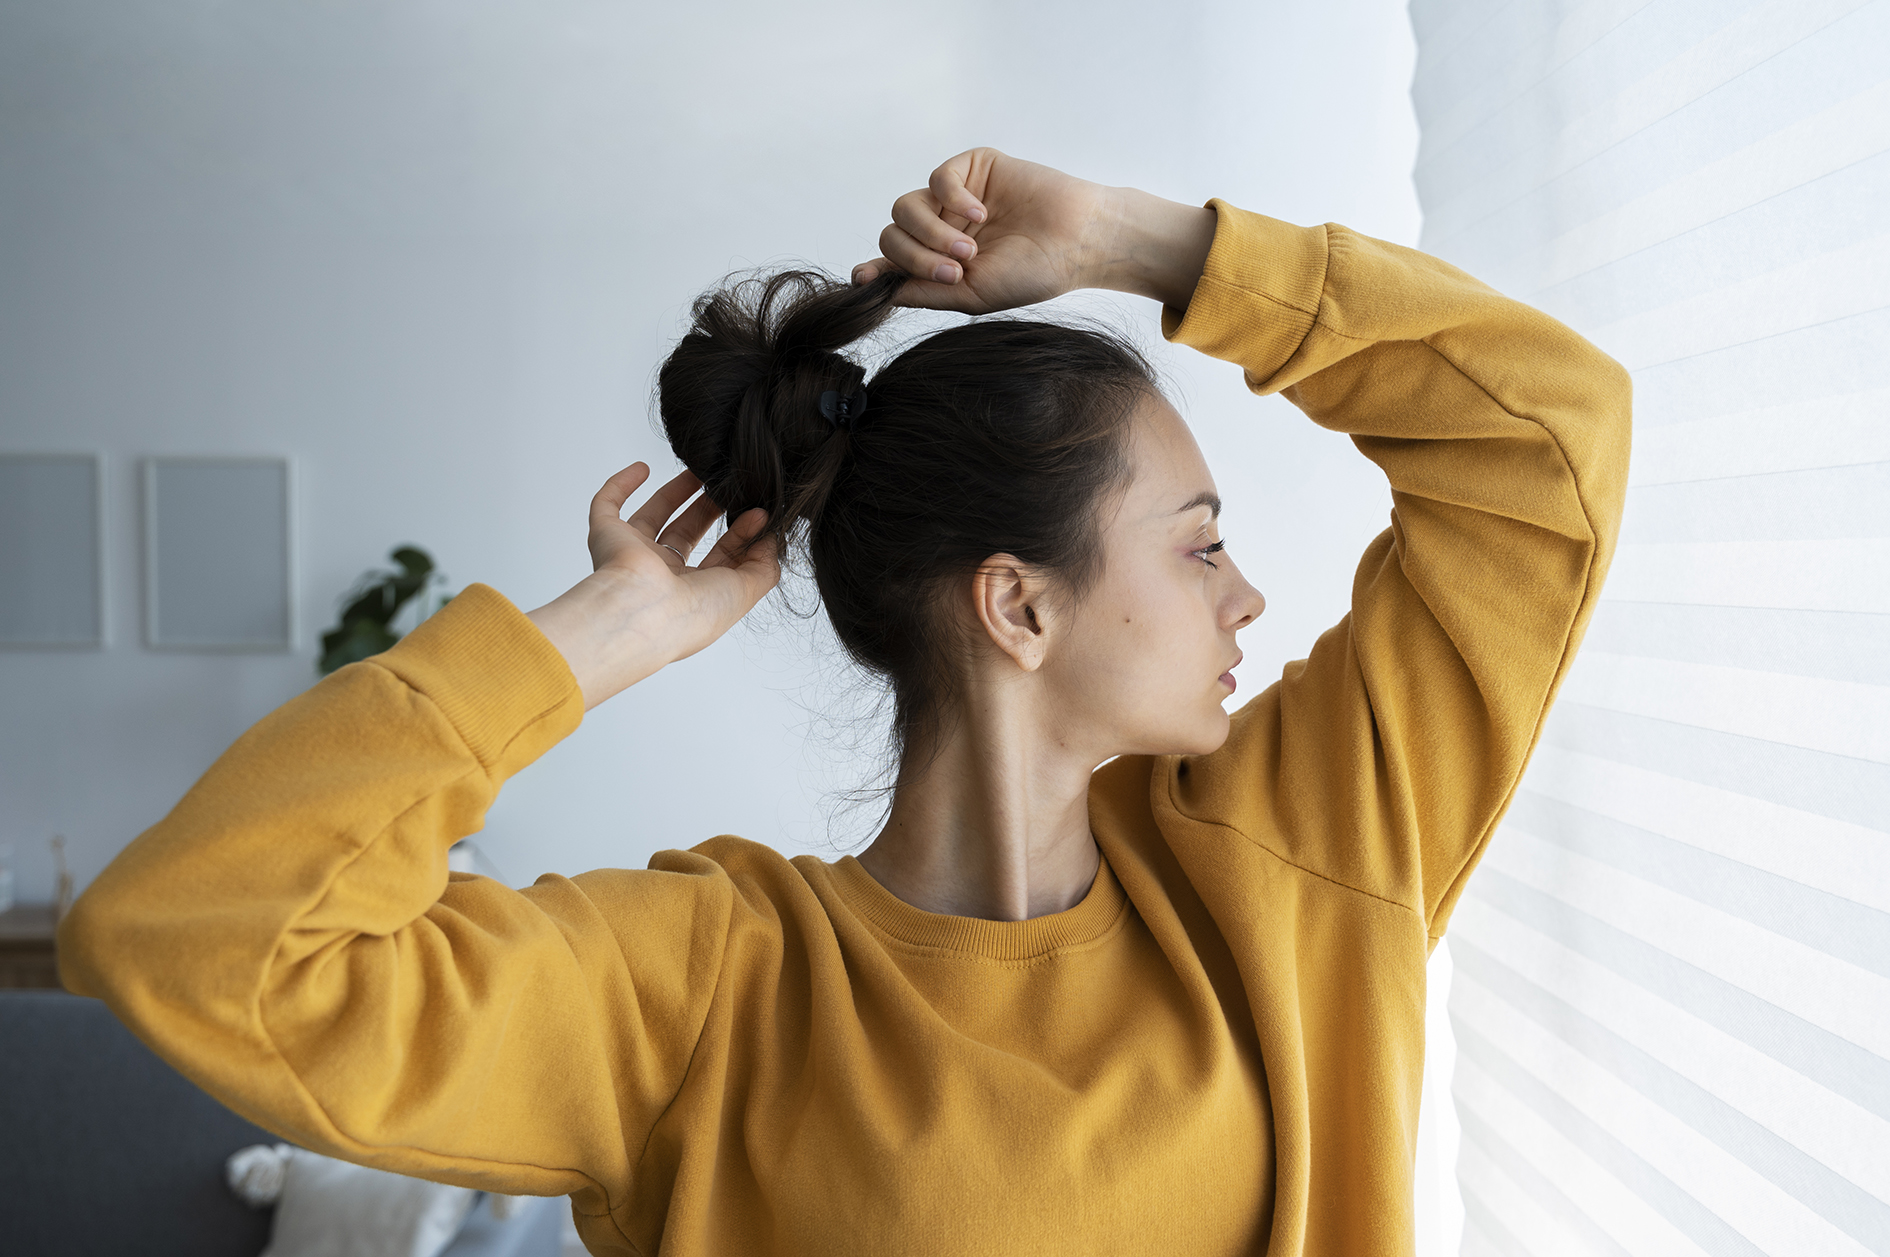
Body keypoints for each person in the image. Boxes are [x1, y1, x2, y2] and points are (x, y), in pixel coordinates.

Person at [59, 149, 1630, 1256]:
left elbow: (1545, 437)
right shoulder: (706, 988)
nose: (1243, 597)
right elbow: (193, 935)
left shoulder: (1294, 855)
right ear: (1016, 602)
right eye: (1200, 542)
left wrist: (1151, 245)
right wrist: (597, 633)